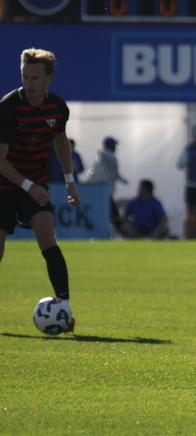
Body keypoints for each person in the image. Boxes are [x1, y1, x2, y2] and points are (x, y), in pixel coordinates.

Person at [0, 48, 80, 331]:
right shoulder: (8, 107)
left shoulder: (57, 107)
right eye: (25, 77)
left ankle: (65, 309)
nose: (29, 84)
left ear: (49, 79)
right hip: (4, 185)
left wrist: (70, 179)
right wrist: (28, 186)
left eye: (35, 78)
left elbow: (60, 140)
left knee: (48, 241)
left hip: (34, 184)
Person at [85, 136, 128, 229]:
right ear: (111, 146)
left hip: (96, 191)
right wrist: (124, 180)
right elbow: (114, 174)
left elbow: (92, 173)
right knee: (113, 215)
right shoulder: (111, 157)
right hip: (106, 192)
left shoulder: (98, 155)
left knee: (100, 214)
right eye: (114, 145)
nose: (116, 148)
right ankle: (124, 232)